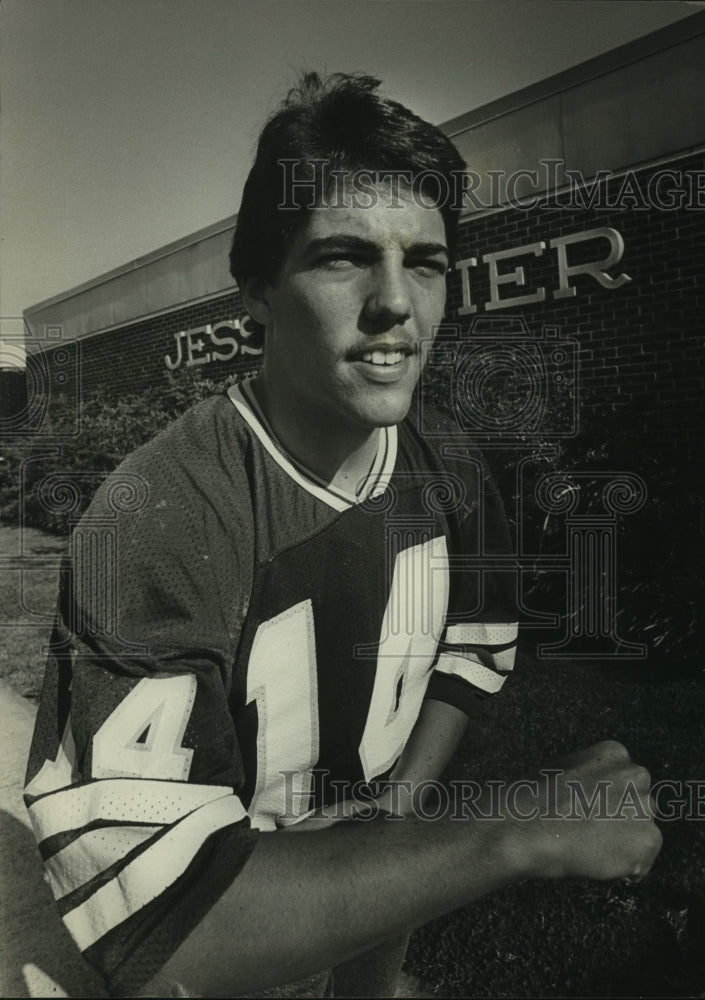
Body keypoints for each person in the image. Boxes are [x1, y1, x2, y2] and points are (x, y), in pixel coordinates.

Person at [24, 72, 662, 999]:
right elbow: (168, 922)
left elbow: (473, 648)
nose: (395, 302)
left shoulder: (446, 456)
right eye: (342, 257)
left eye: (427, 263)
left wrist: (395, 819)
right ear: (257, 289)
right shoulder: (156, 516)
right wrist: (520, 828)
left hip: (375, 882)